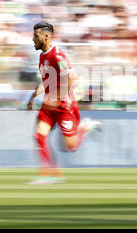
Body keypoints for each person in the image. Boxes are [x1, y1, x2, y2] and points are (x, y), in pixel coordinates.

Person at [27, 21, 101, 184]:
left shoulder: (58, 55)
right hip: (48, 105)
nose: (33, 39)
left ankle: (85, 127)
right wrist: (34, 95)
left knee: (71, 147)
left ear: (46, 37)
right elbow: (46, 81)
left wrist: (58, 98)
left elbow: (72, 77)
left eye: (35, 36)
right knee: (39, 136)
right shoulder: (42, 56)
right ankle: (50, 174)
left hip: (63, 107)